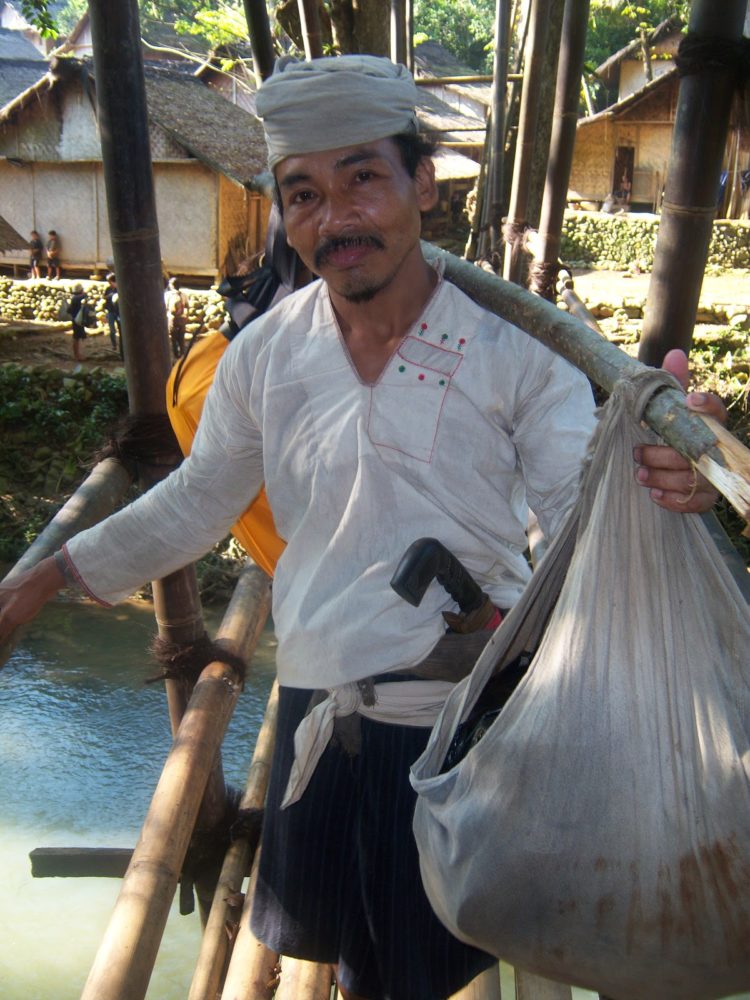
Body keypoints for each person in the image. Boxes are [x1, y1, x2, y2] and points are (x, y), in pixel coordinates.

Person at [0, 56, 726, 1000]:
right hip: (315, 708)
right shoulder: (265, 355)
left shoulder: (516, 351)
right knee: (348, 956)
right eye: (303, 193)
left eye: (363, 178)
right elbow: (196, 501)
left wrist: (660, 472)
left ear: (422, 184)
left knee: (426, 968)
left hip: (460, 719)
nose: (335, 217)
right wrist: (42, 578)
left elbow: (576, 506)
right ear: (283, 215)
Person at [164, 276, 188, 358]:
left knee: (173, 338)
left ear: (171, 285)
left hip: (172, 319)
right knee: (181, 338)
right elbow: (187, 306)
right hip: (182, 318)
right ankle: (182, 355)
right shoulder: (183, 295)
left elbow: (165, 307)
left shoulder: (167, 295)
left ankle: (175, 355)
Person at [67, 282, 87, 365]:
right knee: (76, 337)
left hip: (76, 319)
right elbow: (84, 296)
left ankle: (78, 354)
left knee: (77, 337)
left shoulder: (74, 298)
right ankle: (77, 355)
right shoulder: (76, 298)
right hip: (77, 320)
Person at [104, 272, 122, 356]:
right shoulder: (108, 289)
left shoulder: (119, 288)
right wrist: (109, 296)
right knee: (112, 330)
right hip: (110, 311)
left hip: (118, 312)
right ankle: (114, 345)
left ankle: (122, 347)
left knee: (121, 330)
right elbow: (104, 297)